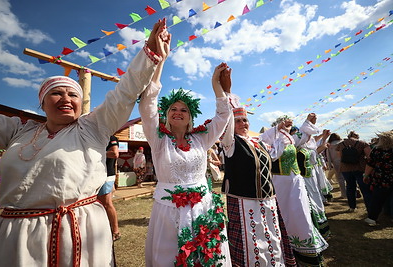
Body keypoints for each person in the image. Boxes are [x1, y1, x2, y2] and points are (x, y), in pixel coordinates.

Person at [0, 19, 167, 266]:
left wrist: (150, 53)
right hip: (16, 238)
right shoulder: (18, 130)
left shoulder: (93, 127)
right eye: (56, 93)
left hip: (77, 233)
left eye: (73, 94)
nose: (66, 98)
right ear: (42, 103)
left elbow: (125, 93)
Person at [139, 22, 231, 266]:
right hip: (168, 215)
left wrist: (217, 86)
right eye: (173, 109)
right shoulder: (158, 140)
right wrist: (161, 60)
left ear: (191, 117)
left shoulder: (201, 138)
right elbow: (148, 101)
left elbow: (223, 117)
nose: (178, 112)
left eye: (183, 110)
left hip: (203, 209)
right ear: (166, 114)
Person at [221, 96, 296, 264]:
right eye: (237, 121)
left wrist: (280, 127)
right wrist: (226, 96)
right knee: (251, 239)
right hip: (243, 201)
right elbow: (225, 122)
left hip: (268, 200)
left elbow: (269, 137)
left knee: (271, 236)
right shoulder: (230, 143)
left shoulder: (259, 143)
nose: (242, 124)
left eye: (245, 120)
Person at [262, 115, 328, 266]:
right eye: (283, 125)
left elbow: (305, 134)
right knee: (283, 214)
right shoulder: (269, 142)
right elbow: (267, 149)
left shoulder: (292, 139)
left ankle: (305, 249)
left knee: (301, 212)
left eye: (288, 126)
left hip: (295, 182)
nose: (287, 128)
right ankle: (286, 247)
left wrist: (309, 121)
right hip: (279, 184)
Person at [294, 113, 330, 239]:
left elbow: (314, 151)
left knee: (316, 198)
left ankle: (320, 227)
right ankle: (311, 226)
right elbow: (303, 134)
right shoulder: (298, 146)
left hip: (312, 175)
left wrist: (324, 138)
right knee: (308, 201)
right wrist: (307, 121)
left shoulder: (308, 147)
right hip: (303, 178)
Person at [336, 130, 372, 213]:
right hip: (359, 167)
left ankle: (352, 206)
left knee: (350, 187)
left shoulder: (341, 144)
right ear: (357, 136)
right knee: (364, 188)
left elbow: (340, 157)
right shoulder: (363, 143)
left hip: (345, 168)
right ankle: (369, 208)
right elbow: (369, 156)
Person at [363, 130, 393, 226]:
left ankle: (372, 219)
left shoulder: (376, 150)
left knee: (377, 200)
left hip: (380, 179)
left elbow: (370, 165)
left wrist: (366, 175)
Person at [97, 135, 121, 241]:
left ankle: (116, 232)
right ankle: (107, 230)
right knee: (100, 204)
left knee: (107, 204)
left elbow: (115, 153)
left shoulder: (112, 138)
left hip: (107, 175)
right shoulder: (100, 137)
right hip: (99, 174)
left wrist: (96, 153)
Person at [326, 133, 346, 198]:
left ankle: (343, 194)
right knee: (349, 177)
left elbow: (328, 156)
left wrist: (329, 165)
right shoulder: (343, 142)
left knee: (340, 179)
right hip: (346, 161)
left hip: (336, 163)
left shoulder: (329, 145)